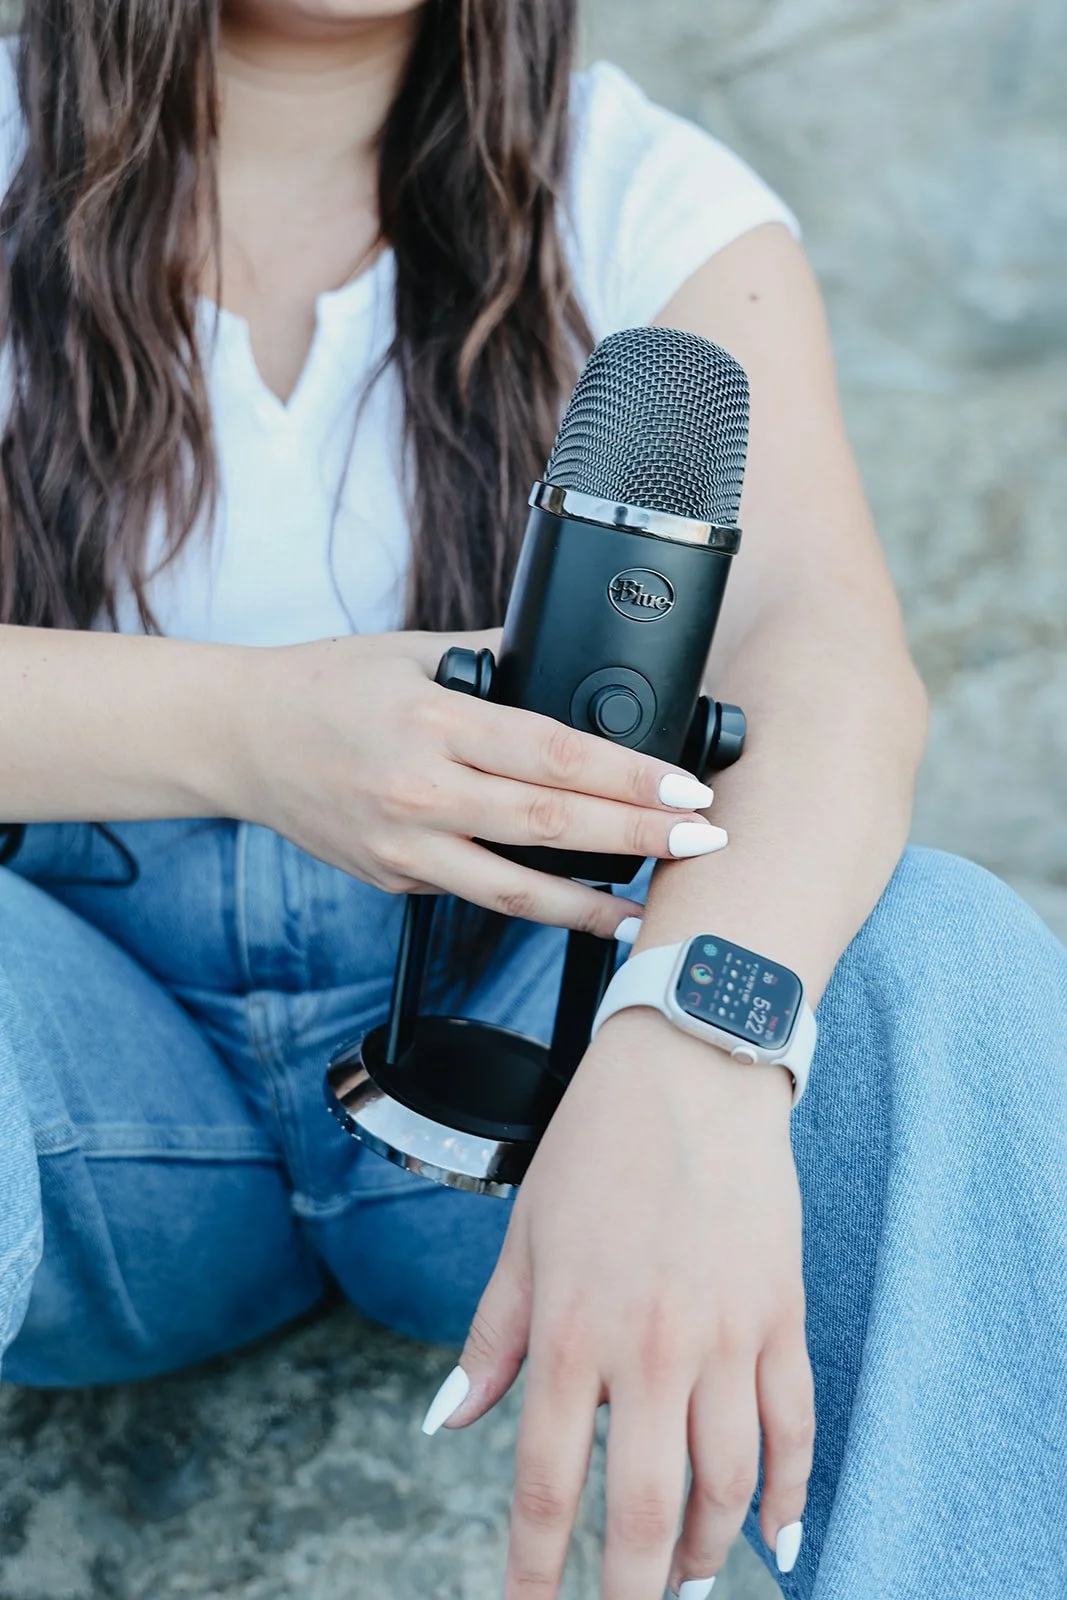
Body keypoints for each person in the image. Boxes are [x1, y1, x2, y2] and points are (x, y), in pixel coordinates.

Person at [0, 3, 1063, 1597]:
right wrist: (247, 730)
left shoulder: (642, 197)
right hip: (86, 1072)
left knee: (943, 952)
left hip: (530, 1053)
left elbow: (829, 676)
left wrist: (698, 1033)